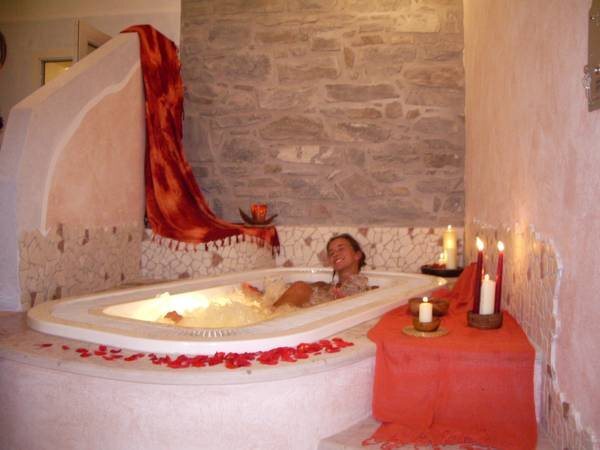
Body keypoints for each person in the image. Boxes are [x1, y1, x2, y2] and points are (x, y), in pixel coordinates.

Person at [243, 233, 369, 308]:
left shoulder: (366, 288)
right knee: (299, 287)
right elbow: (287, 288)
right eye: (331, 253)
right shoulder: (325, 286)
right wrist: (265, 293)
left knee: (300, 288)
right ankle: (263, 307)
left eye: (341, 249)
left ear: (357, 255)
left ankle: (265, 315)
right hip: (302, 314)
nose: (335, 254)